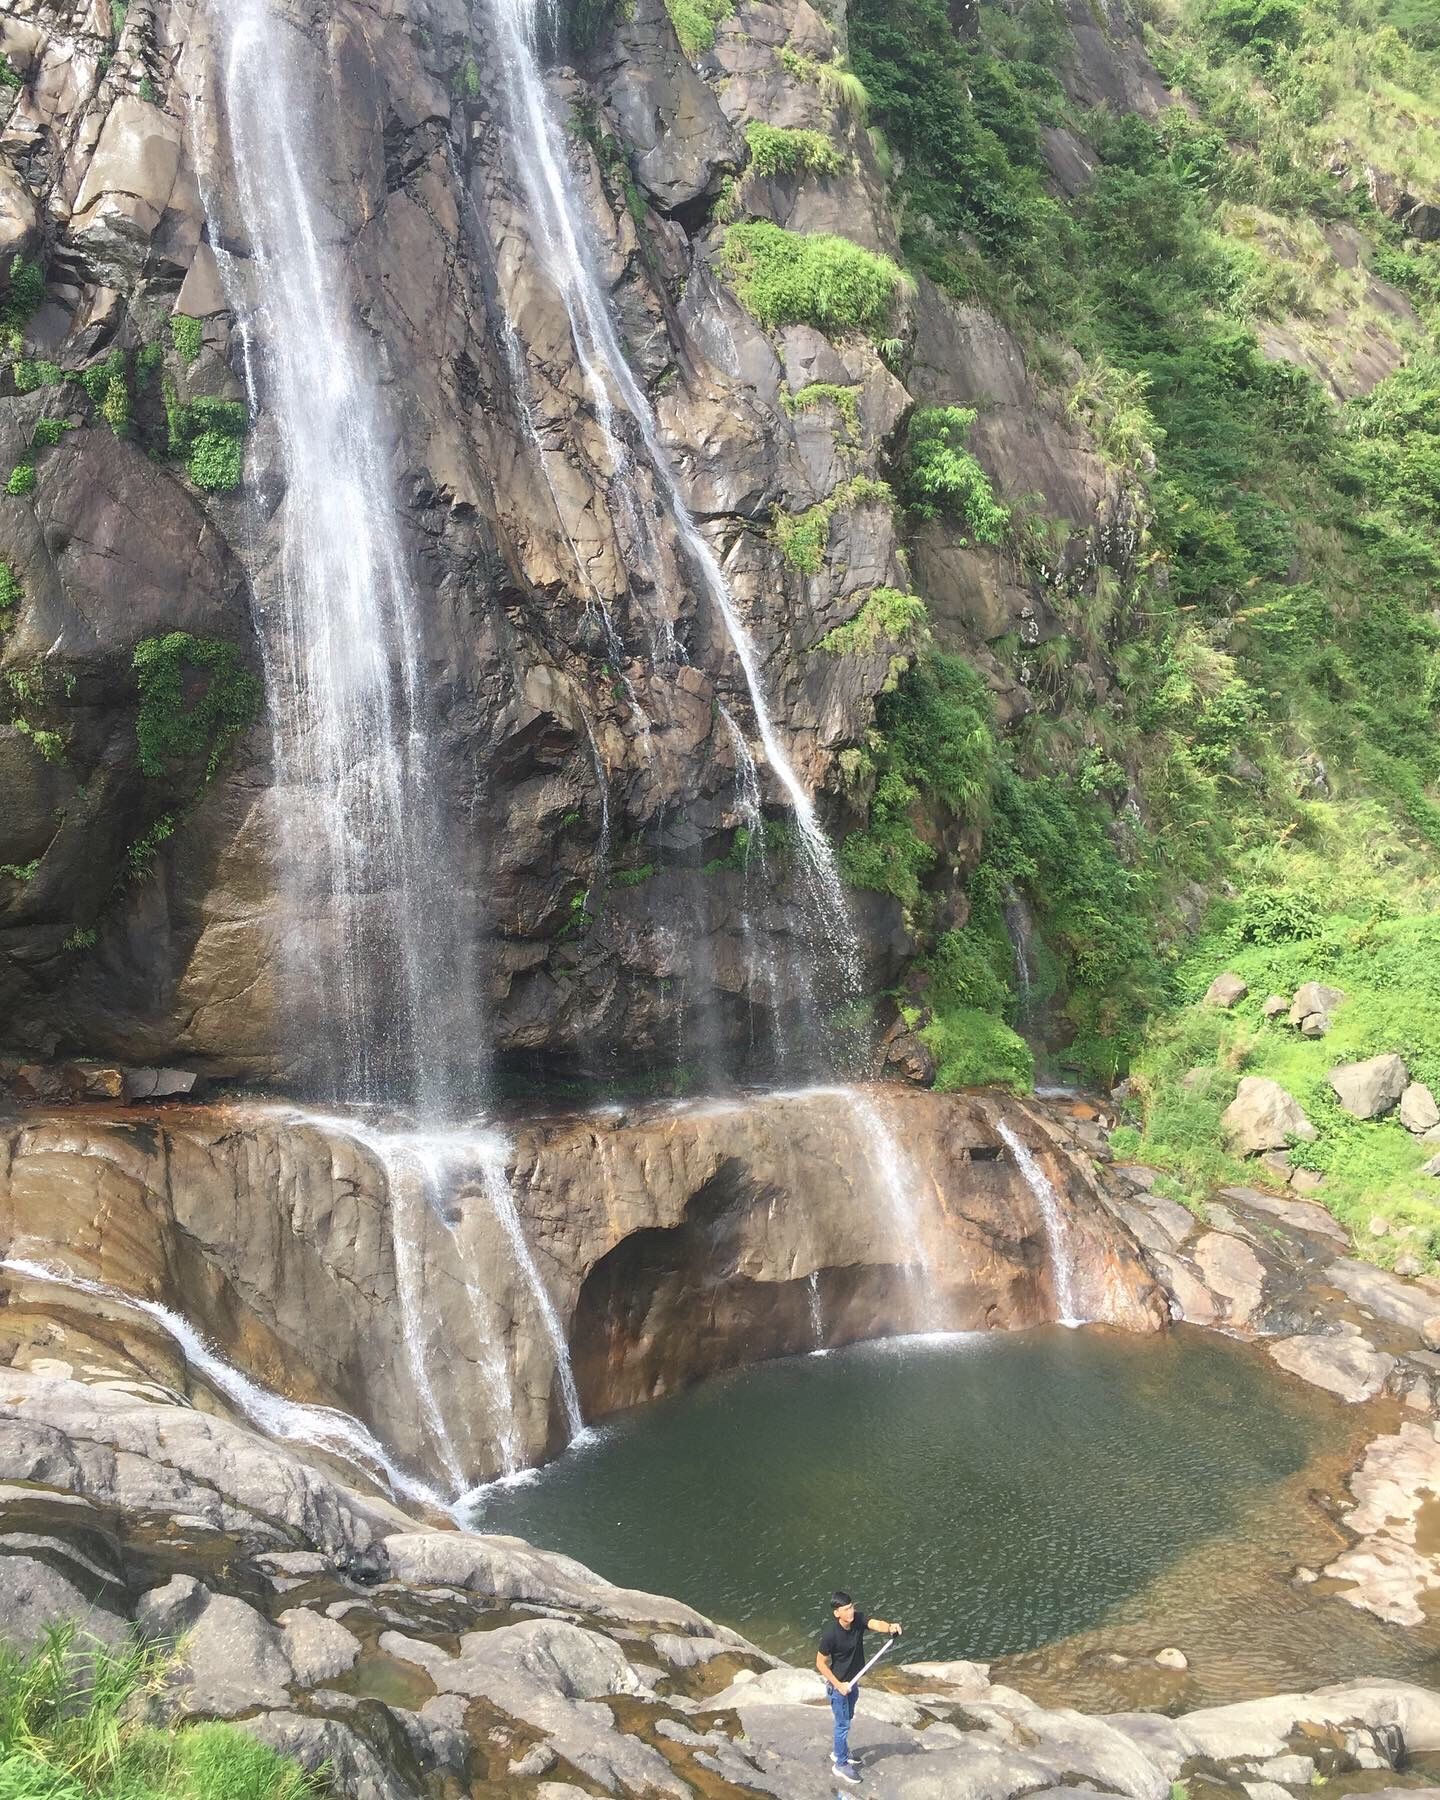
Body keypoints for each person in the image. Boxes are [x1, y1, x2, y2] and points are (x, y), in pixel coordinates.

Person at [815, 1589, 902, 1784]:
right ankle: (840, 1764)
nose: (851, 1612)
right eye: (846, 1609)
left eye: (852, 1607)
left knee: (848, 1718)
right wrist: (838, 1685)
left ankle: (841, 1751)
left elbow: (874, 1623)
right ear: (837, 1613)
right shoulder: (830, 1635)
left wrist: (890, 1627)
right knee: (842, 1724)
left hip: (853, 1682)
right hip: (839, 1687)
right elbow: (820, 1663)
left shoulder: (857, 1620)